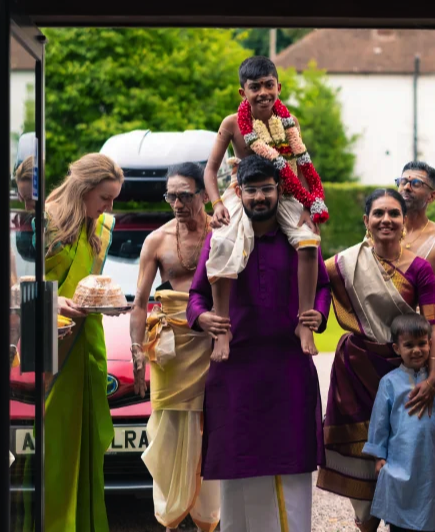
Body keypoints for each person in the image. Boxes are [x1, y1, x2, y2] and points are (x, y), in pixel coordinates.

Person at [187, 154, 331, 532]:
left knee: (292, 468)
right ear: (240, 192)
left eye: (267, 189)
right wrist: (203, 319)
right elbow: (197, 295)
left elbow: (324, 287)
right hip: (235, 372)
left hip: (288, 370)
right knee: (238, 464)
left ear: (278, 190)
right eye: (251, 191)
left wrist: (316, 313)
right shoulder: (222, 238)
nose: (260, 197)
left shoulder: (298, 238)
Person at [316, 189, 435, 532]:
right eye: (378, 214)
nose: (386, 220)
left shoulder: (420, 268)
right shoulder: (344, 263)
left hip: (402, 372)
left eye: (394, 214)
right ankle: (365, 525)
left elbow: (431, 325)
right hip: (356, 369)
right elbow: (314, 281)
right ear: (366, 221)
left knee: (404, 451)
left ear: (404, 221)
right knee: (363, 457)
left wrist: (432, 375)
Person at [203, 56, 327, 360]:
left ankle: (304, 323)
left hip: (282, 192)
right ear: (242, 92)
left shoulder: (289, 121)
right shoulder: (232, 124)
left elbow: (297, 167)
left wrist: (306, 204)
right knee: (221, 241)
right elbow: (209, 170)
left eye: (268, 85)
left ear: (278, 87)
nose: (262, 92)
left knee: (309, 240)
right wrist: (217, 203)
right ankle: (223, 331)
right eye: (254, 86)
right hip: (240, 190)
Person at [129, 162, 220, 532]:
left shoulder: (224, 230)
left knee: (211, 429)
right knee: (165, 433)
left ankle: (207, 521)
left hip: (213, 341)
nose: (177, 203)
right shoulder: (157, 240)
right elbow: (138, 303)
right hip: (169, 348)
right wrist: (137, 351)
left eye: (185, 194)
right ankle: (170, 518)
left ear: (203, 193)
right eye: (171, 196)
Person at [40, 153, 124, 531]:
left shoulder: (101, 227)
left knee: (88, 446)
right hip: (51, 344)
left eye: (113, 200)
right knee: (56, 446)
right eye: (105, 198)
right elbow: (15, 281)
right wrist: (52, 299)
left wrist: (107, 304)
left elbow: (92, 289)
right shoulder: (44, 220)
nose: (109, 208)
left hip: (89, 342)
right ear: (84, 188)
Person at [364, 314, 435, 532]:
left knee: (428, 511)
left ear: (430, 344)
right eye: (409, 345)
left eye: (422, 343)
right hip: (398, 463)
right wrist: (379, 456)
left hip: (428, 466)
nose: (416, 350)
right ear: (396, 348)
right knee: (399, 517)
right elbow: (379, 422)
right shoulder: (389, 383)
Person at [396, 161, 435, 327]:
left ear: (431, 196)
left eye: (416, 183)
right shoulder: (384, 230)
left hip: (424, 335)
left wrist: (433, 339)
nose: (407, 187)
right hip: (384, 333)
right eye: (403, 182)